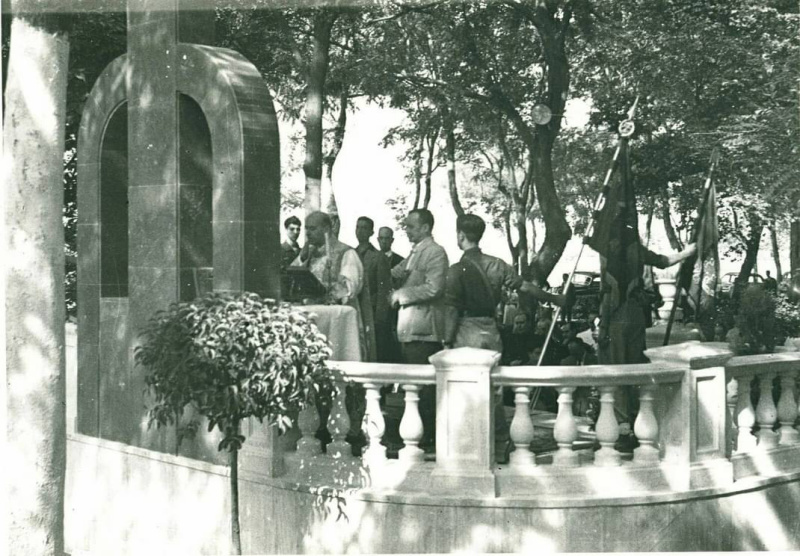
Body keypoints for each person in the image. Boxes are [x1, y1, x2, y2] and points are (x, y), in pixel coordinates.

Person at [390, 208, 449, 449]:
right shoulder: (414, 252)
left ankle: (429, 437)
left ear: (425, 227)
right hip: (409, 328)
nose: (407, 230)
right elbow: (395, 273)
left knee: (424, 388)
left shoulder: (435, 252)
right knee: (412, 386)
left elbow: (434, 288)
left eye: (411, 226)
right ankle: (416, 434)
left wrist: (400, 295)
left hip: (424, 329)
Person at [292, 211, 375, 362]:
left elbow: (350, 287)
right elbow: (291, 276)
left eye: (312, 229)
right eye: (307, 229)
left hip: (336, 320)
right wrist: (302, 259)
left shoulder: (346, 253)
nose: (308, 233)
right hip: (312, 318)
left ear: (326, 229)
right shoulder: (309, 254)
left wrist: (326, 292)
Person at [355, 216, 393, 363]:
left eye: (364, 228)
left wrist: (380, 320)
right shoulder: (350, 254)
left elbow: (384, 291)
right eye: (358, 227)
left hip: (370, 313)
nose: (360, 231)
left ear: (371, 232)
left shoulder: (378, 257)